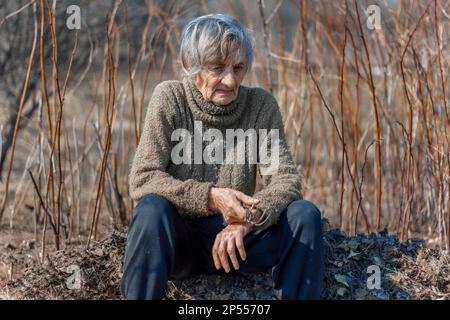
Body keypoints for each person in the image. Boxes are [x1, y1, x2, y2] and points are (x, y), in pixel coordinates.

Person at [121, 13, 324, 300]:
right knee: (151, 209)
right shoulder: (170, 98)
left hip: (241, 243)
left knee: (305, 214)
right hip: (181, 242)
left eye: (238, 67)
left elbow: (286, 179)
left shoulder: (260, 105)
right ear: (189, 65)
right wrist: (212, 197)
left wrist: (247, 221)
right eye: (217, 67)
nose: (230, 80)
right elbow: (143, 179)